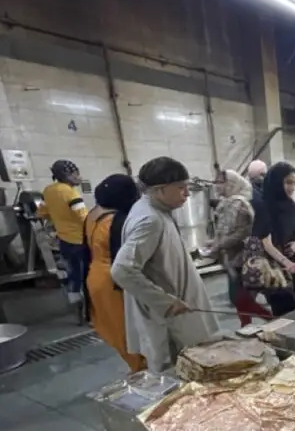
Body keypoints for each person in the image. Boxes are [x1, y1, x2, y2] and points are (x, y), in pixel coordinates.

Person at [111, 156, 219, 373]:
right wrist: (166, 302)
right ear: (159, 190)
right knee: (179, 374)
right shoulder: (150, 219)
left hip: (177, 310)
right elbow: (122, 270)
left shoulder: (158, 211)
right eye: (181, 188)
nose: (187, 194)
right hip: (169, 319)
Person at [83, 174, 144, 371]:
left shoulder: (92, 215)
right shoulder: (115, 221)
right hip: (114, 281)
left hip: (95, 276)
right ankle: (141, 370)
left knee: (114, 328)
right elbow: (126, 260)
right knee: (129, 330)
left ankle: (135, 366)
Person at [252, 161, 295, 316]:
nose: (292, 188)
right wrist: (286, 263)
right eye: (288, 182)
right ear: (276, 181)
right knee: (286, 314)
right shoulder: (265, 206)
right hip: (276, 268)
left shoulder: (290, 205)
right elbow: (267, 244)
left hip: (293, 263)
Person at [38, 160, 88, 317]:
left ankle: (74, 298)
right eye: (75, 173)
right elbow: (83, 216)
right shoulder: (70, 192)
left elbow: (42, 212)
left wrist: (58, 221)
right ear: (66, 175)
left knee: (73, 271)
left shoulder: (48, 190)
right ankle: (88, 311)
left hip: (64, 240)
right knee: (86, 275)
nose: (79, 177)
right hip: (80, 239)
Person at [209, 169, 259, 325]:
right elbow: (224, 230)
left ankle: (264, 321)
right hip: (230, 258)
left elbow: (242, 233)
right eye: (216, 182)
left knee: (241, 298)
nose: (216, 186)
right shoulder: (226, 203)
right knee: (239, 299)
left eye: (220, 182)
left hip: (241, 259)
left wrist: (218, 246)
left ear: (231, 184)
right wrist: (213, 243)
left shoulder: (240, 204)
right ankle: (249, 325)